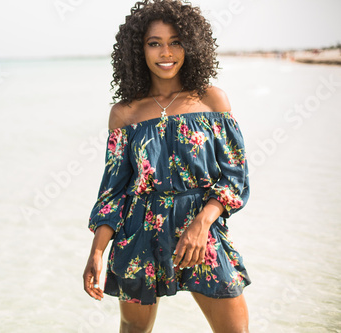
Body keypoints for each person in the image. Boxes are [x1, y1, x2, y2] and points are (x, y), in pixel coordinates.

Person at [82, 1, 251, 332]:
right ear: (138, 49)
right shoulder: (125, 114)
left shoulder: (212, 101)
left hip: (200, 232)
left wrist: (203, 223)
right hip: (137, 235)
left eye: (175, 41)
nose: (165, 52)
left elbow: (235, 178)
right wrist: (96, 252)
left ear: (191, 44)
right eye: (154, 43)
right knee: (133, 329)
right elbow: (113, 193)